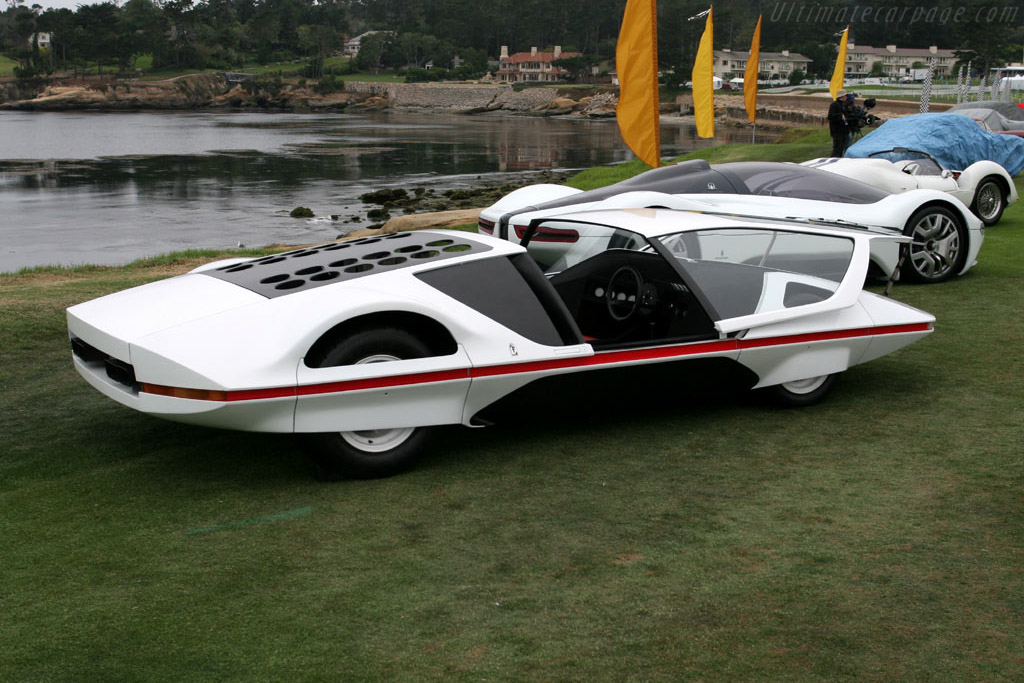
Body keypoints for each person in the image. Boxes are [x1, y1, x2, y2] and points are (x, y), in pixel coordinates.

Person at [828, 89, 852, 157]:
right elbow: (830, 116)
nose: (847, 97)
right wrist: (840, 116)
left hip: (845, 130)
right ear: (842, 97)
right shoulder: (834, 105)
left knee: (845, 146)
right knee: (838, 148)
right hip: (837, 131)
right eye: (845, 96)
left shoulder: (845, 104)